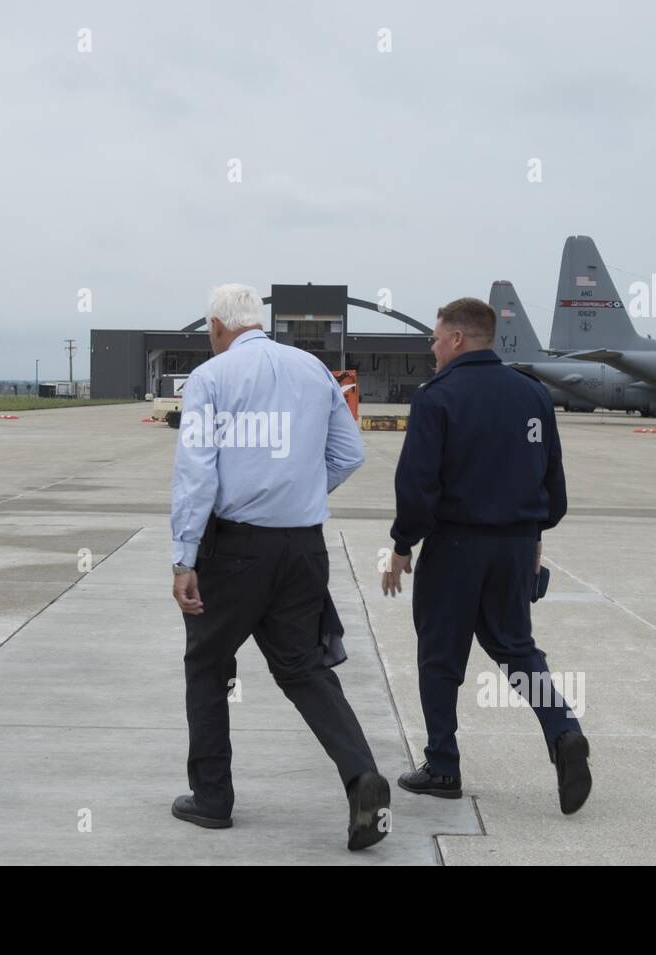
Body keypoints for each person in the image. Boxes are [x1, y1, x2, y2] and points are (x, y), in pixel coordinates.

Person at [170, 283, 390, 850]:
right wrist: (304, 492)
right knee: (303, 669)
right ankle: (362, 776)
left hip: (236, 550)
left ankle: (213, 799)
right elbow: (350, 454)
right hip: (303, 547)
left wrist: (184, 557)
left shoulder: (211, 379)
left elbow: (197, 474)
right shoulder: (314, 370)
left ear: (217, 327)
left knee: (208, 664)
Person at [381, 297, 591, 815]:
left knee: (439, 656)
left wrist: (404, 543)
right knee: (517, 649)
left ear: (456, 338)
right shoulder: (533, 393)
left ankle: (443, 766)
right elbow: (553, 477)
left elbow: (417, 484)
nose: (431, 348)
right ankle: (563, 731)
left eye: (434, 338)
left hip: (456, 545)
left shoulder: (438, 397)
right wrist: (536, 531)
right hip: (517, 545)